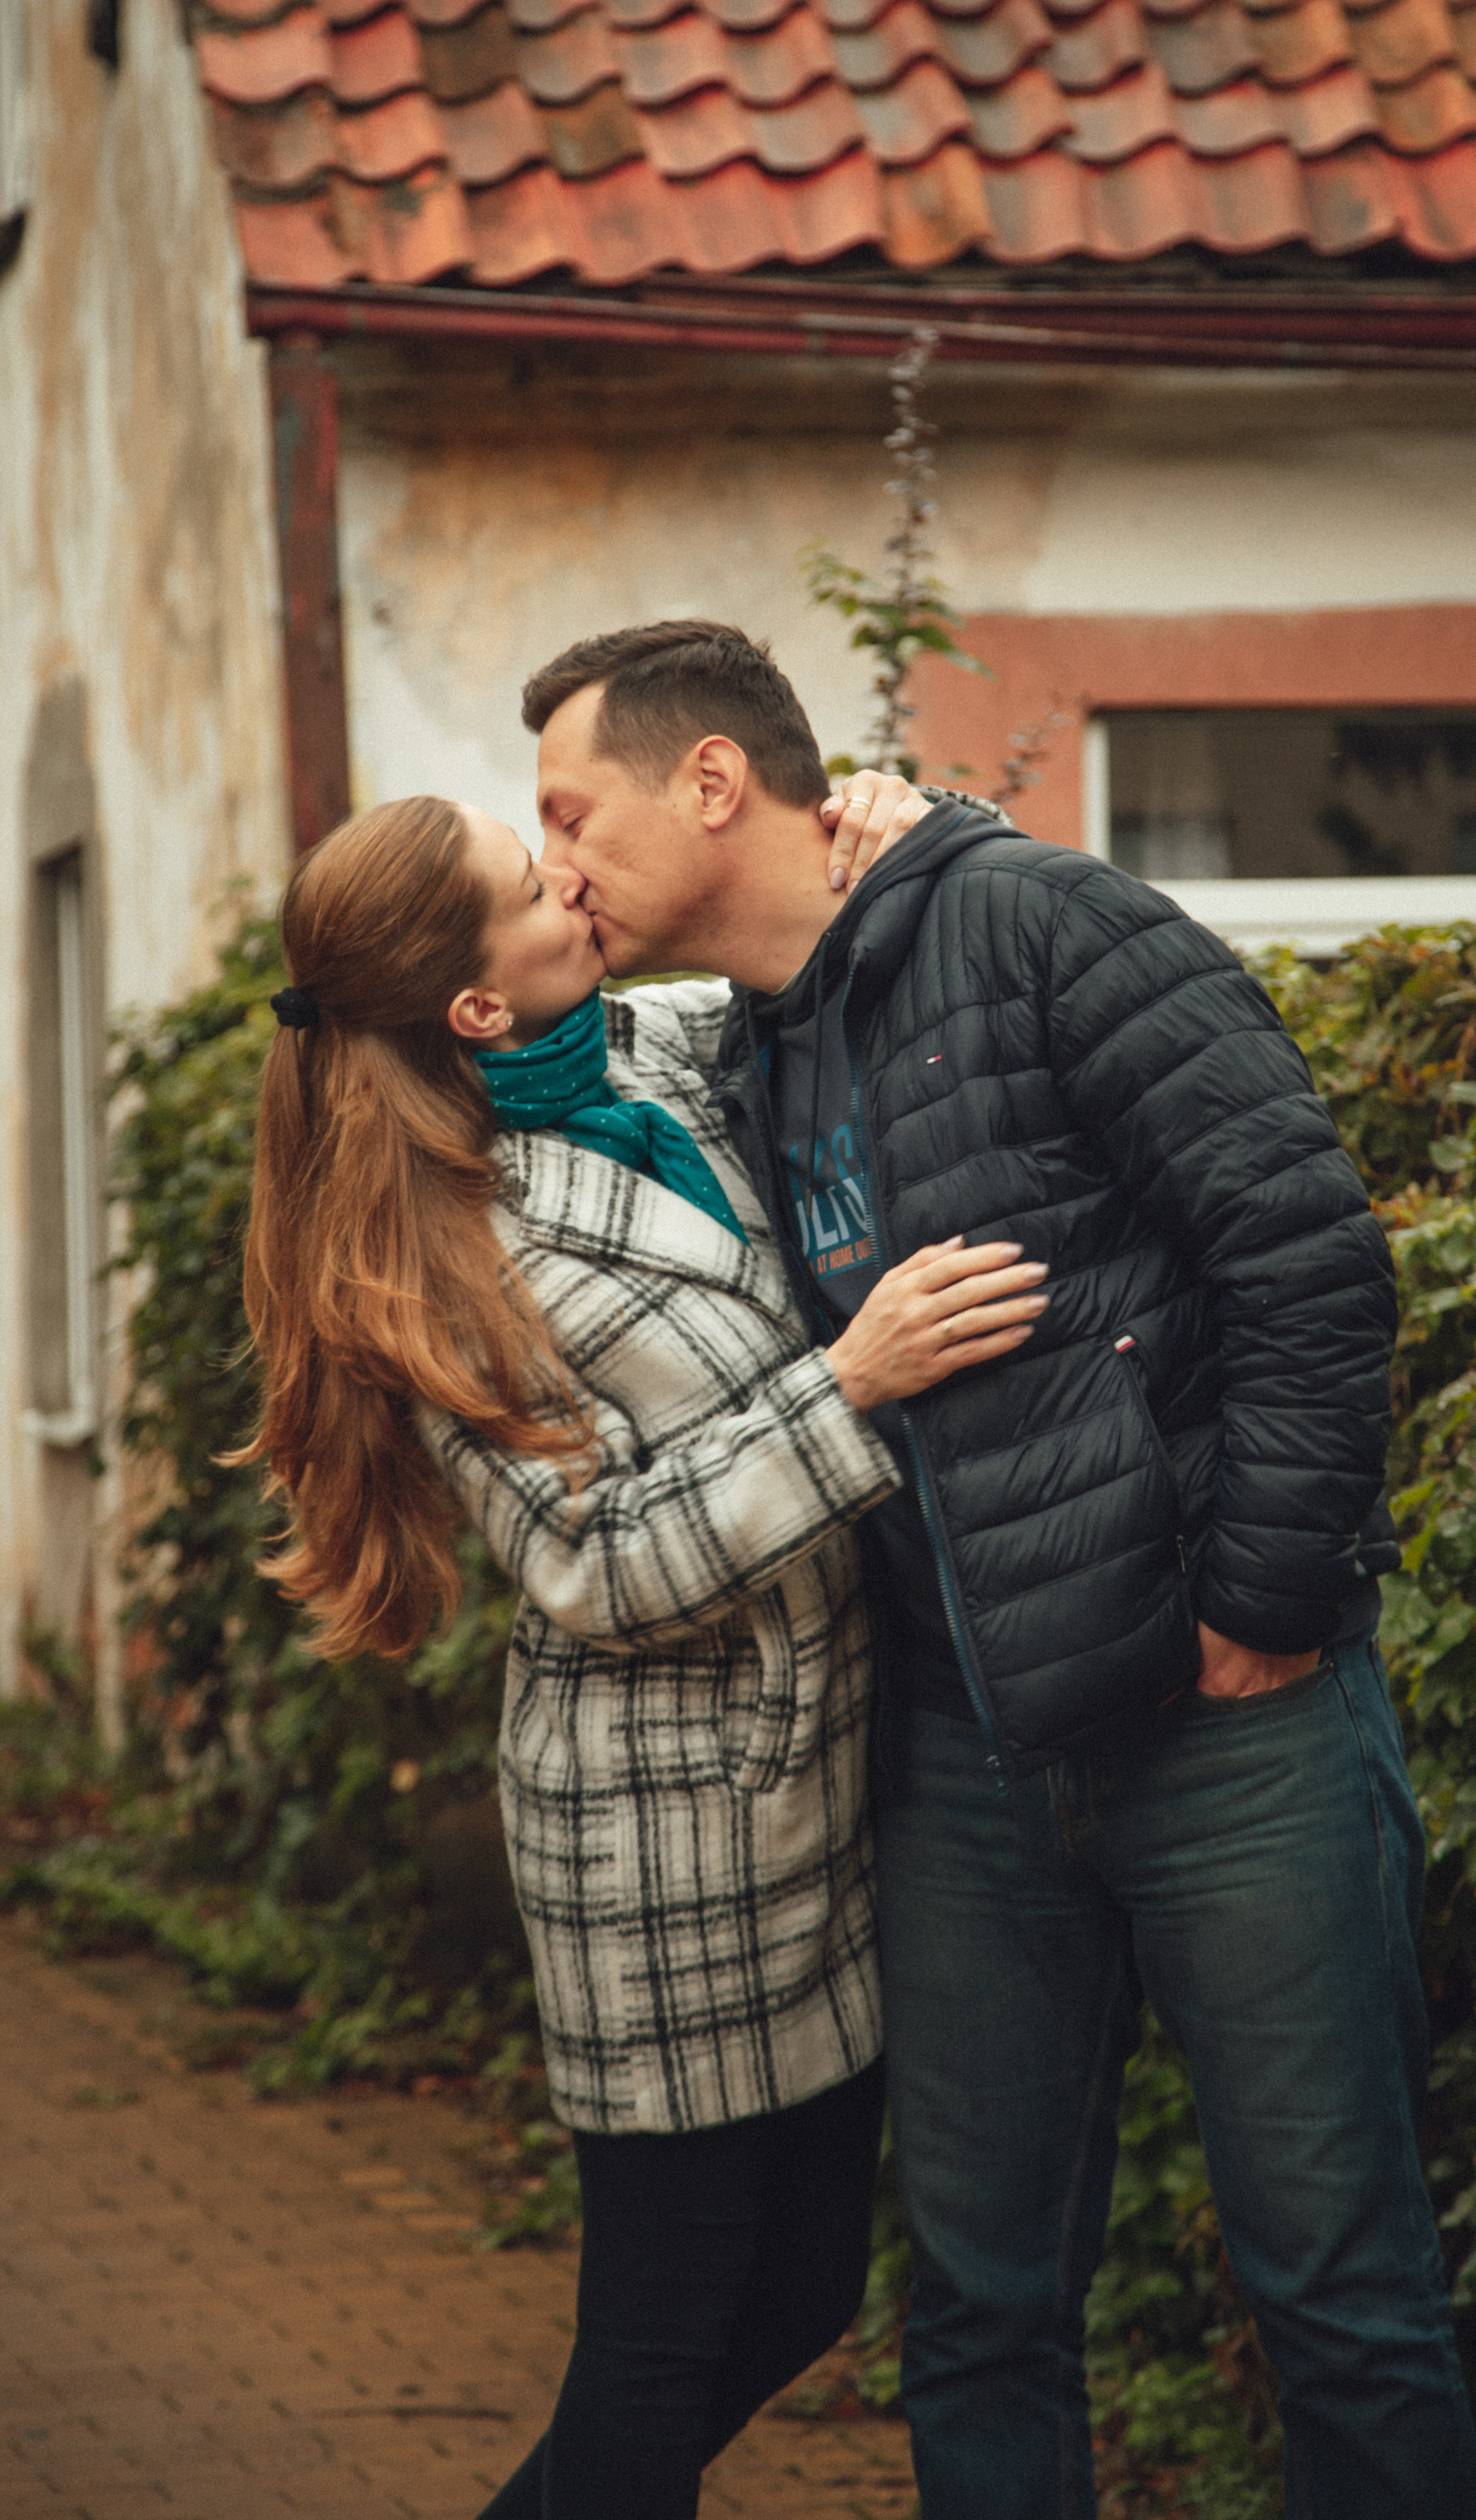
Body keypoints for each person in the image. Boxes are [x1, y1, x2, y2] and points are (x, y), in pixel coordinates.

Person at [519, 617, 1476, 2520]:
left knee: (1343, 2298)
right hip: (963, 1766)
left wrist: (1262, 1611)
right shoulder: (741, 1052)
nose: (553, 863)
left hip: (1235, 1741)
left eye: (571, 811)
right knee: (977, 2312)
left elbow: (1305, 1255)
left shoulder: (1052, 927)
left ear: (711, 781)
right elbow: (457, 1014)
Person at [233, 783, 1049, 2520]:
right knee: (664, 2344)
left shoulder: (647, 1059)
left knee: (807, 2290)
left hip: (813, 1788)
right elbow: (595, 1567)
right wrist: (859, 1388)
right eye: (537, 883)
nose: (576, 879)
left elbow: (799, 955)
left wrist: (900, 820)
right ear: (473, 1004)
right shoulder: (441, 1256)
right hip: (661, 1844)